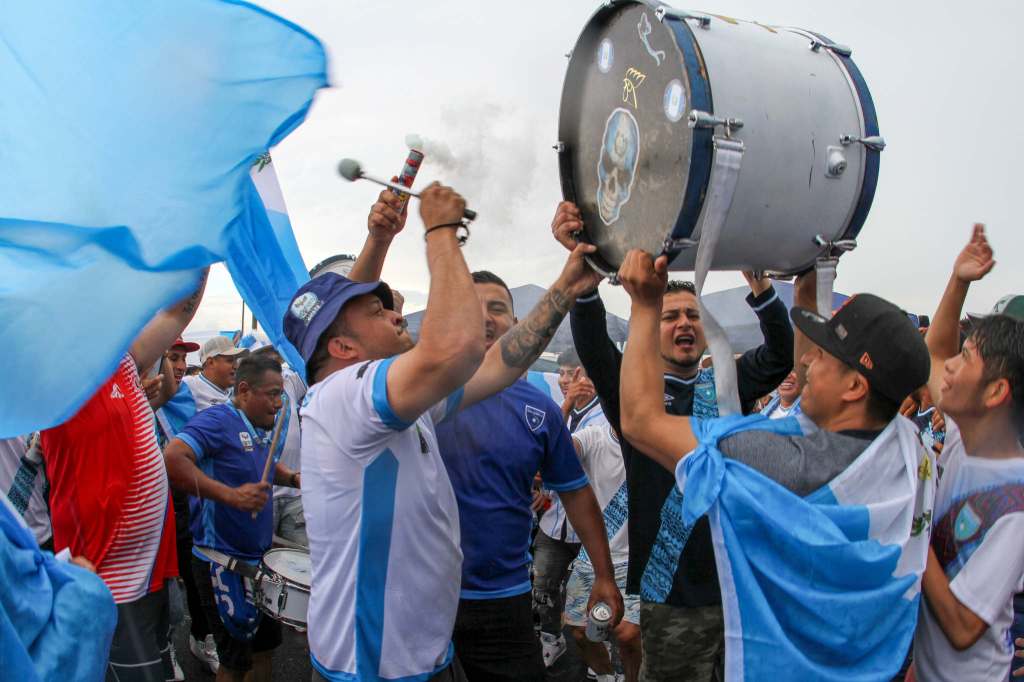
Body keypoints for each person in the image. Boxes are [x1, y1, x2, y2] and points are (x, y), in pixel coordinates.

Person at [287, 183, 620, 682]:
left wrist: (568, 285)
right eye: (378, 313)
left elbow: (497, 365)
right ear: (343, 348)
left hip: (421, 655)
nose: (398, 313)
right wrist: (441, 231)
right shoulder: (342, 399)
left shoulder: (394, 405)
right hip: (372, 668)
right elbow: (459, 349)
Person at [616, 249, 934, 679]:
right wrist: (809, 274)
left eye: (822, 358)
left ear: (856, 386)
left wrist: (644, 306)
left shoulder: (782, 461)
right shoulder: (908, 449)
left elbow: (640, 421)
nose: (805, 363)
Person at [551, 202, 793, 679]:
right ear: (648, 327)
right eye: (668, 316)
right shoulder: (631, 395)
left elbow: (783, 355)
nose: (684, 323)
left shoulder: (729, 383)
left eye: (692, 315)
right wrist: (590, 268)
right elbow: (595, 344)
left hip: (740, 581)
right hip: (672, 588)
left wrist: (759, 284)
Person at [436, 270, 619, 682]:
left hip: (503, 598)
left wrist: (604, 576)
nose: (485, 317)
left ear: (517, 326)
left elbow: (576, 493)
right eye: (471, 307)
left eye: (497, 308)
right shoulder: (421, 392)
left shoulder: (541, 411)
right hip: (422, 596)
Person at [39, 269, 208, 682]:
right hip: (106, 576)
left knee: (159, 660)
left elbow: (178, 311)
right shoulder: (56, 375)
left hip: (152, 568)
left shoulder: (125, 363)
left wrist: (204, 246)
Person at [911, 225, 1024, 681]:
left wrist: (910, 529)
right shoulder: (964, 434)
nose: (951, 367)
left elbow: (962, 629)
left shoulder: (1014, 503)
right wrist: (958, 282)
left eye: (969, 357)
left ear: (997, 391)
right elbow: (934, 356)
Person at [163, 354, 301, 682]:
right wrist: (230, 496)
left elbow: (262, 464)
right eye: (271, 394)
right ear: (243, 390)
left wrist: (294, 479)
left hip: (259, 563)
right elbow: (173, 458)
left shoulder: (259, 427)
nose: (278, 402)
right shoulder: (215, 421)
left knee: (265, 649)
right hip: (221, 563)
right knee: (235, 661)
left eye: (280, 393)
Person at [535, 347, 610, 666]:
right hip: (553, 522)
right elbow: (541, 451)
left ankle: (600, 654)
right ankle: (551, 639)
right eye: (563, 373)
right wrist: (539, 489)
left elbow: (565, 453)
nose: (567, 380)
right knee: (543, 585)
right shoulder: (556, 407)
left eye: (574, 372)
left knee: (595, 594)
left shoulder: (605, 415)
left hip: (591, 527)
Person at [563, 422, 642, 682]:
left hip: (637, 559)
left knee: (628, 635)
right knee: (579, 631)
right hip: (595, 557)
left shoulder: (652, 438)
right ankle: (607, 676)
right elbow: (564, 450)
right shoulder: (594, 435)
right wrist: (567, 404)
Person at [251, 345, 309, 547]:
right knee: (263, 559)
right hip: (262, 496)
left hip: (294, 496)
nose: (277, 366)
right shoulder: (242, 397)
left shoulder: (290, 384)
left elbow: (308, 368)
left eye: (278, 360)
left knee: (301, 560)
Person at [186, 336, 250, 411]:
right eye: (230, 360)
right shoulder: (188, 386)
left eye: (236, 361)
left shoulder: (237, 392)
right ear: (211, 362)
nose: (236, 366)